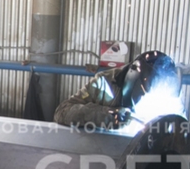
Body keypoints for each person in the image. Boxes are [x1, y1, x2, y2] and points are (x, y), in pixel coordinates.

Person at [54, 51, 182, 130]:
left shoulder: (171, 95)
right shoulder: (104, 84)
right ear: (133, 81)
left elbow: (179, 129)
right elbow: (62, 112)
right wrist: (105, 115)